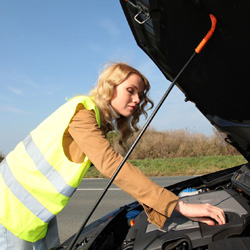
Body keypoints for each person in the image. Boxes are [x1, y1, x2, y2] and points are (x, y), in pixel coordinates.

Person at [0, 62, 225, 249]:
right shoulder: (82, 112)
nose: (137, 100)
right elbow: (111, 165)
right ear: (110, 86)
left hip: (35, 210)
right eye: (131, 90)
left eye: (141, 94)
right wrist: (178, 205)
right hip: (9, 208)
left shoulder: (97, 120)